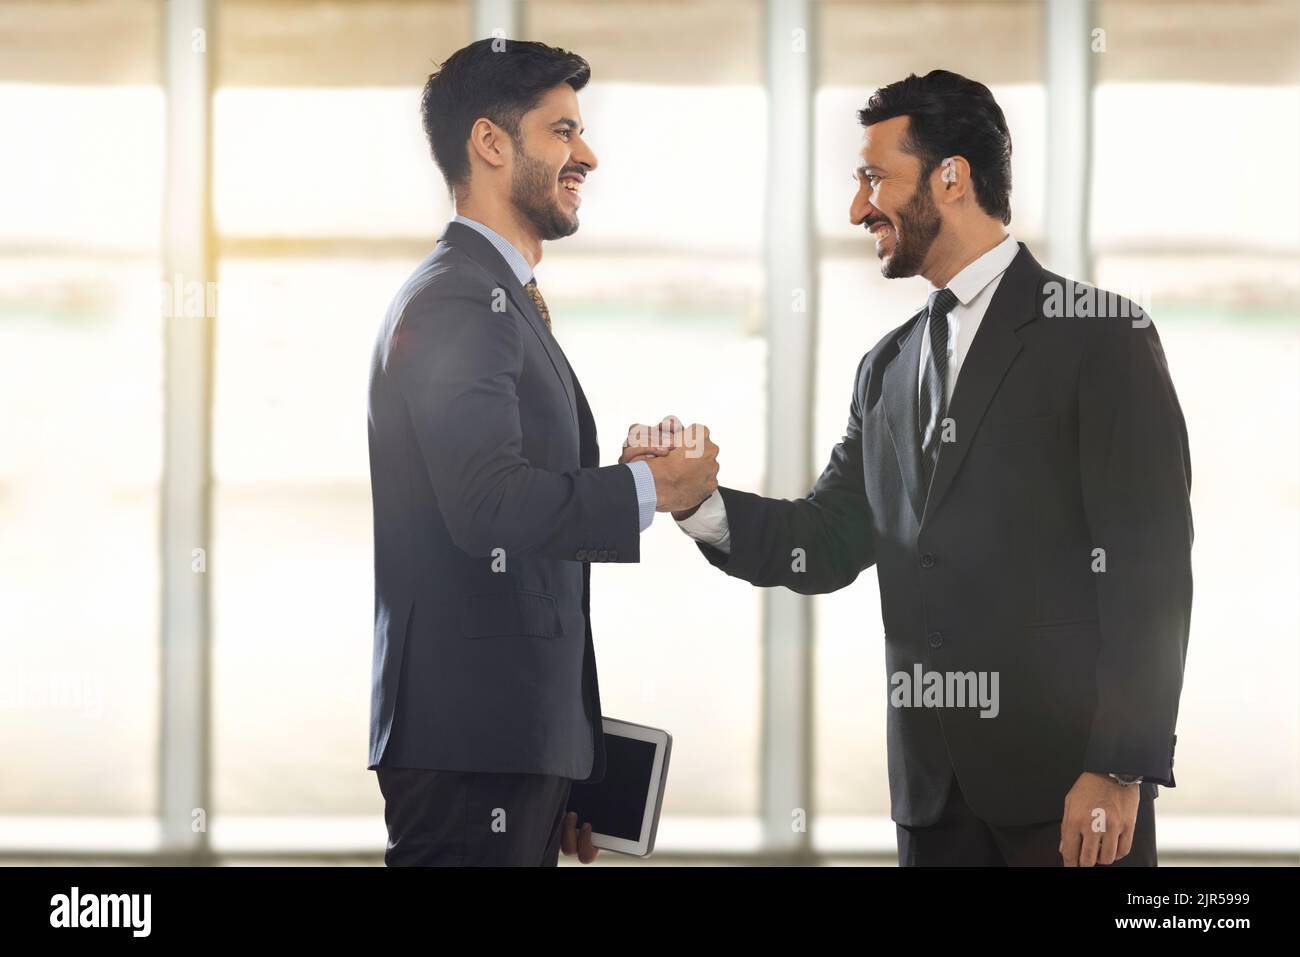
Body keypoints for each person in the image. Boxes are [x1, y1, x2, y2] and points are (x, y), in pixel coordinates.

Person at [625, 70, 1192, 867]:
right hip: (932, 803)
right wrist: (701, 502)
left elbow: (1151, 570)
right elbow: (826, 539)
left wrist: (1119, 764)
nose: (859, 207)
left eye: (873, 177)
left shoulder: (1101, 336)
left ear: (951, 176)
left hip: (1070, 794)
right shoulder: (885, 368)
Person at [367, 38, 718, 866]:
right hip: (470, 749)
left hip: (507, 749)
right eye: (563, 131)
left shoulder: (497, 299)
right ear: (491, 143)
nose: (586, 154)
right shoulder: (459, 298)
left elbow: (514, 510)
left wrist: (565, 762)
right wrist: (647, 488)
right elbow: (486, 506)